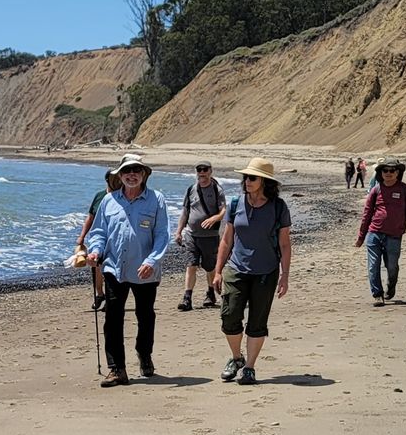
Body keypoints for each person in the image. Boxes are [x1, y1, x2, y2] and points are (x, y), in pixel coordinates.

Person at [85, 154, 170, 387]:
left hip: (146, 271)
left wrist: (152, 261)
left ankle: (144, 354)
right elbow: (99, 233)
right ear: (120, 176)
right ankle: (117, 369)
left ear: (144, 175)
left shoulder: (157, 200)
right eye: (126, 171)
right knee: (112, 318)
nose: (131, 175)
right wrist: (94, 252)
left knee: (145, 316)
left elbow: (163, 235)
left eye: (136, 170)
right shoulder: (109, 201)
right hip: (114, 269)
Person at [213, 157, 292, 385]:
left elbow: (285, 244)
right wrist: (218, 271)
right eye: (245, 177)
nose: (247, 181)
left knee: (257, 323)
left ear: (264, 181)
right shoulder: (236, 204)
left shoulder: (278, 207)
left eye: (252, 177)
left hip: (266, 272)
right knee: (229, 317)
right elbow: (226, 240)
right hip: (236, 269)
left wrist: (285, 275)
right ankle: (237, 358)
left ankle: (249, 367)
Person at [355, 157, 406, 305]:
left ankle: (391, 287)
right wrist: (361, 237)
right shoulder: (375, 190)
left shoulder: (405, 190)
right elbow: (366, 214)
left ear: (397, 173)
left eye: (392, 170)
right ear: (381, 172)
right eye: (385, 170)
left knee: (392, 266)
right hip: (374, 234)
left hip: (394, 236)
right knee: (373, 265)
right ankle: (377, 294)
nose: (388, 173)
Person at [174, 161, 226, 311]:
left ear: (210, 171)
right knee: (191, 265)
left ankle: (210, 293)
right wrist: (178, 231)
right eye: (199, 170)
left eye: (204, 170)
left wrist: (214, 218)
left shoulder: (217, 189)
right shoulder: (191, 189)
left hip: (210, 236)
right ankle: (187, 298)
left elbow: (223, 211)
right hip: (191, 234)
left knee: (210, 268)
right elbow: (185, 212)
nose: (201, 172)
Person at [75, 168, 121, 310]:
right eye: (114, 179)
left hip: (114, 240)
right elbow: (90, 217)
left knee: (108, 269)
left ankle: (109, 297)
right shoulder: (99, 196)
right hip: (98, 238)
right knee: (96, 268)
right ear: (108, 180)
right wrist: (82, 236)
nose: (117, 182)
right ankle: (100, 294)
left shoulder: (122, 197)